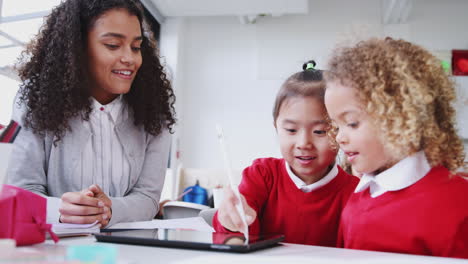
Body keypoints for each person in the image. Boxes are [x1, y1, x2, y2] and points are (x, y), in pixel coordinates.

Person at [6, 0, 176, 227]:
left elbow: (148, 197)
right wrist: (60, 211)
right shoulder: (36, 100)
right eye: (113, 45)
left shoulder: (153, 110)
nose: (130, 58)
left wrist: (109, 209)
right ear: (77, 48)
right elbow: (22, 190)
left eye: (136, 47)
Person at [324, 37, 468, 258]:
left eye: (352, 123)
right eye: (336, 126)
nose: (340, 138)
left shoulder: (457, 204)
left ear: (400, 115)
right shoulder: (358, 200)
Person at [212, 61, 358, 246]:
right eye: (291, 130)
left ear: (341, 131)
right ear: (276, 128)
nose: (304, 143)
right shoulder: (262, 176)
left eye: (320, 131)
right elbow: (235, 238)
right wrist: (232, 224)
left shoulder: (357, 193)